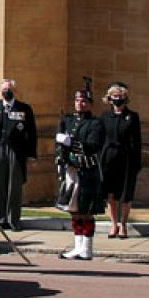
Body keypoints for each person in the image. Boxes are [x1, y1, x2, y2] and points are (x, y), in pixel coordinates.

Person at [55, 81, 106, 260]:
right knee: (74, 209)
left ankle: (87, 248)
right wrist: (60, 157)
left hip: (87, 170)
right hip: (70, 169)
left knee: (86, 210)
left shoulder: (95, 124)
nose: (80, 103)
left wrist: (72, 143)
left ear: (90, 103)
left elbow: (93, 146)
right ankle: (77, 247)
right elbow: (59, 145)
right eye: (77, 100)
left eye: (84, 101)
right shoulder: (67, 120)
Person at [100, 83, 143, 239]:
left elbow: (137, 142)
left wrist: (137, 163)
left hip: (126, 159)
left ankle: (123, 224)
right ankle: (113, 224)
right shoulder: (105, 117)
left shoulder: (132, 117)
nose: (118, 99)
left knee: (125, 194)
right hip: (109, 158)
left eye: (120, 96)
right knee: (110, 194)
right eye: (115, 96)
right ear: (110, 98)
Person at [0, 79, 37, 230]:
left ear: (15, 91)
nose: (6, 92)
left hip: (16, 151)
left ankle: (13, 219)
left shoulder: (24, 109)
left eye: (9, 89)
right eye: (4, 89)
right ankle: (0, 218)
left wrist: (31, 155)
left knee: (14, 185)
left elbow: (31, 133)